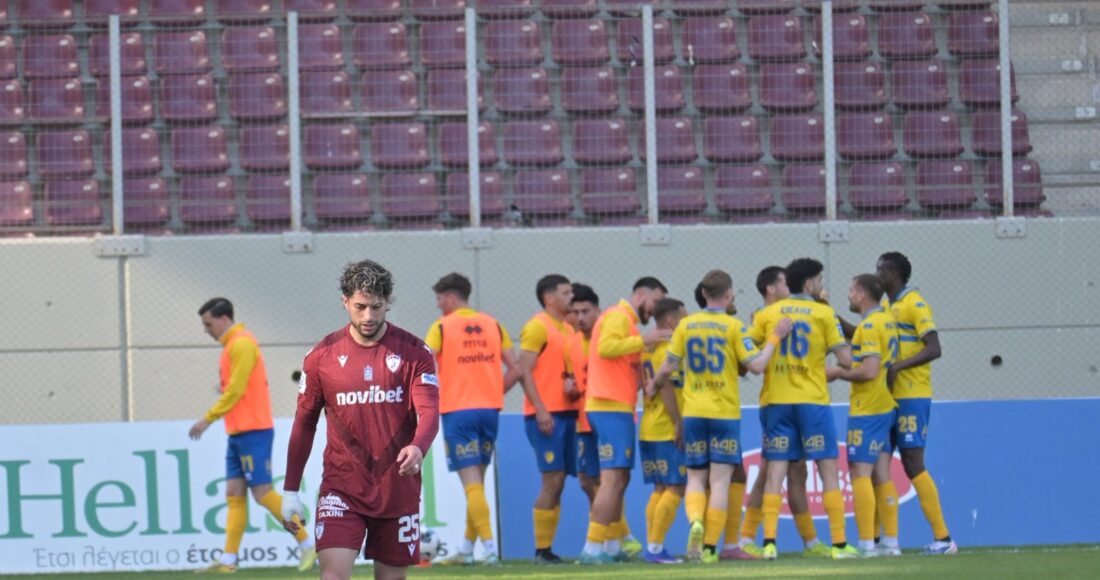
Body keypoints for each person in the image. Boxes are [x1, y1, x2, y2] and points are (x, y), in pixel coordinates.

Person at [281, 260, 440, 580]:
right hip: (342, 488)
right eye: (360, 307)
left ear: (387, 302)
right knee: (333, 576)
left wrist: (418, 447)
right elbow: (305, 423)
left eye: (376, 307)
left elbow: (429, 410)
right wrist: (290, 490)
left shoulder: (415, 352)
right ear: (345, 301)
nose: (369, 316)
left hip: (397, 489)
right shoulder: (321, 357)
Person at [648, 270, 789, 564]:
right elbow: (757, 366)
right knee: (721, 481)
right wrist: (774, 338)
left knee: (696, 478)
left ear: (703, 294)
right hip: (724, 413)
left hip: (694, 413)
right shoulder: (733, 326)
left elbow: (666, 368)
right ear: (728, 295)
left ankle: (696, 520)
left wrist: (653, 386)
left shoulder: (686, 326)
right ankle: (711, 547)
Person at [188, 298, 316, 573]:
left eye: (208, 324)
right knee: (234, 492)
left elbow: (236, 390)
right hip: (238, 431)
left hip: (253, 430)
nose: (206, 330)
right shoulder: (232, 346)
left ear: (223, 319)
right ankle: (229, 560)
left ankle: (307, 543)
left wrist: (207, 419)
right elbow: (237, 388)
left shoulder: (242, 343)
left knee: (262, 493)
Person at [749, 258, 858, 560]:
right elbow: (846, 360)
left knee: (776, 471)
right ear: (809, 284)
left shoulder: (767, 313)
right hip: (812, 401)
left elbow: (748, 353)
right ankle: (839, 544)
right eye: (819, 280)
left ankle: (769, 543)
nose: (821, 285)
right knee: (827, 470)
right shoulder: (824, 313)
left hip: (777, 401)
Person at [425, 273, 520, 565]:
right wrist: (493, 392)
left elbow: (423, 363)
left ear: (451, 297)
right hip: (489, 411)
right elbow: (516, 368)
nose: (438, 305)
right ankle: (467, 550)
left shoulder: (442, 326)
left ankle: (489, 549)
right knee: (476, 480)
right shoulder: (494, 324)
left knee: (471, 483)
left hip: (458, 411)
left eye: (439, 299)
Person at [736, 267, 829, 559]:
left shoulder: (794, 314)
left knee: (797, 471)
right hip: (776, 403)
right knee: (768, 470)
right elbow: (744, 361)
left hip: (795, 402)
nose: (789, 288)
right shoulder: (762, 318)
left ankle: (810, 541)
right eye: (783, 283)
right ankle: (747, 537)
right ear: (771, 289)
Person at [578, 277, 670, 564]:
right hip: (609, 406)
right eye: (656, 301)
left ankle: (611, 546)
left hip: (615, 406)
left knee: (620, 478)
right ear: (641, 295)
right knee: (612, 478)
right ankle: (592, 548)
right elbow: (606, 347)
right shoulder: (618, 316)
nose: (656, 309)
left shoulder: (625, 322)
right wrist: (646, 340)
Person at [877, 252, 956, 555]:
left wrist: (899, 366)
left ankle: (943, 539)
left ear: (893, 274)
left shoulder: (915, 303)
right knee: (878, 465)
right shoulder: (886, 306)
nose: (877, 275)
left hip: (912, 395)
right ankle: (882, 542)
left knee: (912, 462)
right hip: (888, 397)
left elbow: (934, 348)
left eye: (880, 270)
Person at [826, 274, 903, 557]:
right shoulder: (885, 321)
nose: (848, 294)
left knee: (860, 473)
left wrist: (838, 373)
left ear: (861, 295)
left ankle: (866, 544)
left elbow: (869, 371)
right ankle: (890, 543)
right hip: (885, 406)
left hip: (868, 409)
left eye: (850, 290)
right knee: (882, 475)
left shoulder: (869, 327)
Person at [518, 274, 577, 564]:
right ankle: (541, 550)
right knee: (551, 480)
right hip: (546, 415)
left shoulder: (567, 327)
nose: (571, 297)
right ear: (549, 298)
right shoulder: (537, 326)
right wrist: (540, 408)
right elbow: (524, 370)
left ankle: (547, 549)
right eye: (566, 293)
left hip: (569, 412)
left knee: (560, 481)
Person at [638, 298, 688, 564]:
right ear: (671, 321)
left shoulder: (646, 349)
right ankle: (656, 548)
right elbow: (666, 386)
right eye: (684, 317)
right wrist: (678, 422)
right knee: (676, 487)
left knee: (660, 488)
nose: (686, 321)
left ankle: (653, 546)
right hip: (666, 427)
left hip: (648, 426)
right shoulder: (669, 349)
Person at [565, 284, 602, 507]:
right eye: (576, 312)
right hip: (583, 421)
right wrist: (570, 388)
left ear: (597, 310)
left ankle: (608, 527)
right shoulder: (572, 344)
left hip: (607, 419)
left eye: (585, 312)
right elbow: (573, 379)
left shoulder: (607, 338)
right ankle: (605, 524)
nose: (580, 318)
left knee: (608, 480)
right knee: (586, 481)